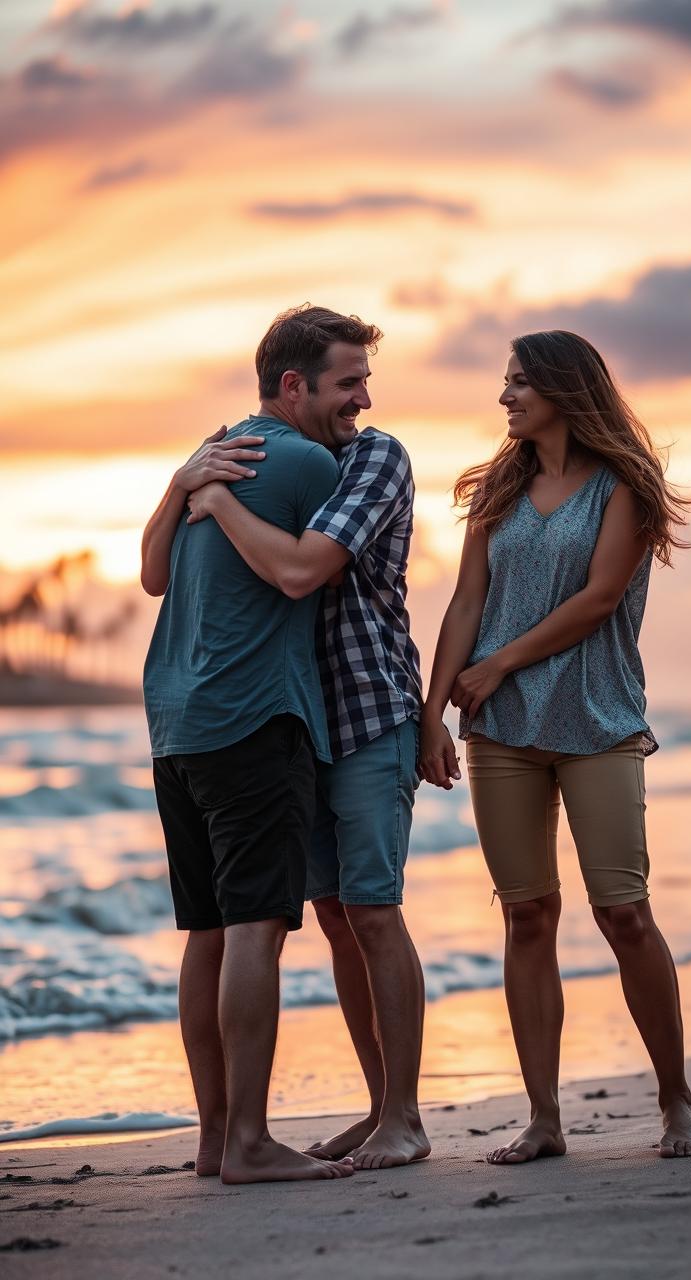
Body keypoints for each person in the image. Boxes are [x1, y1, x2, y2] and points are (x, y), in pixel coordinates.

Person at [420, 329, 691, 1164]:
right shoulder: (497, 492)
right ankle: (544, 1118)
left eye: (518, 384)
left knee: (624, 911)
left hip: (597, 717)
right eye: (503, 384)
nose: (504, 397)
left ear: (563, 390)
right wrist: (432, 714)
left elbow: (599, 597)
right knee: (525, 915)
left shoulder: (623, 486)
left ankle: (676, 1099)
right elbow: (465, 602)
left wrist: (498, 664)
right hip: (501, 730)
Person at [155, 312, 428, 1172]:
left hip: (179, 723)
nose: (365, 398)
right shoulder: (304, 461)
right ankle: (245, 1140)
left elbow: (153, 574)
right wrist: (187, 485)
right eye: (348, 380)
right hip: (261, 718)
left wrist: (198, 489)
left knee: (215, 929)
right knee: (254, 928)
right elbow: (300, 570)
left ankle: (223, 1138)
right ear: (292, 387)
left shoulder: (225, 456)